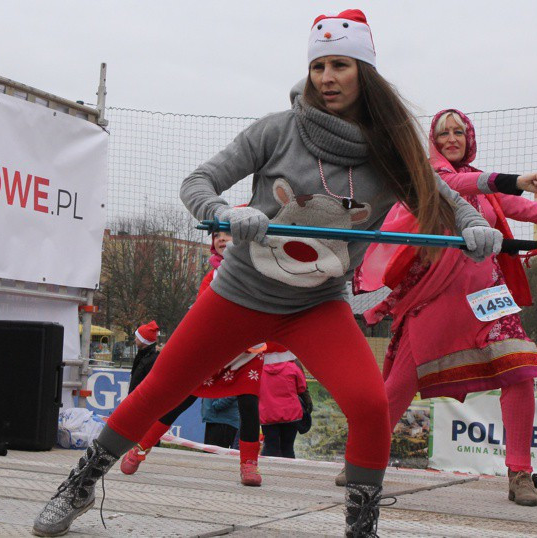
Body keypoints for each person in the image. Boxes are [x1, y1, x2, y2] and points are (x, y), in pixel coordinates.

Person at [32, 10, 500, 537]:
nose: (326, 77)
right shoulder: (277, 131)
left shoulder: (389, 152)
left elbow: (440, 194)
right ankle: (78, 484)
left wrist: (471, 223)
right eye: (318, 65)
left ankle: (361, 528)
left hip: (315, 305)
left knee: (370, 406)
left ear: (364, 72)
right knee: (160, 388)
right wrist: (225, 212)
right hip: (240, 294)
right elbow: (198, 182)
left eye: (340, 65)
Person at [352, 108, 537, 506]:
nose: (451, 138)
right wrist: (517, 179)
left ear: (469, 138)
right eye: (443, 133)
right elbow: (461, 184)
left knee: (520, 369)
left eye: (459, 132)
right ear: (433, 142)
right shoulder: (428, 178)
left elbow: (533, 210)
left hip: (487, 293)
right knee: (399, 386)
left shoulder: (485, 187)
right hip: (433, 295)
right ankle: (362, 459)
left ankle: (519, 473)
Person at [118, 230, 264, 487]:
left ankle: (249, 464)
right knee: (181, 400)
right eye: (217, 235)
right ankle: (141, 448)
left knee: (249, 405)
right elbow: (203, 311)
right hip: (215, 351)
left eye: (228, 233)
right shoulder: (212, 277)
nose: (221, 238)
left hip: (246, 353)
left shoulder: (259, 269)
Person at [259, 352, 309, 458]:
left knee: (270, 448)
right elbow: (302, 388)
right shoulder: (292, 367)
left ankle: (269, 472)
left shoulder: (260, 369)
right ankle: (289, 472)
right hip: (291, 414)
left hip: (268, 414)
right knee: (287, 448)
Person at [127, 320, 160, 394]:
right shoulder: (142, 355)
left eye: (137, 337)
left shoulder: (151, 359)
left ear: (143, 340)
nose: (135, 340)